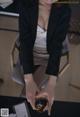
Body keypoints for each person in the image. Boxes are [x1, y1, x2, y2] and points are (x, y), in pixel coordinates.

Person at [18, 0, 71, 116]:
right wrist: (29, 80)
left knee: (29, 93)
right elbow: (25, 43)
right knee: (29, 88)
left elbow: (57, 47)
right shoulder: (26, 5)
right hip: (29, 54)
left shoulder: (64, 10)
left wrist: (52, 83)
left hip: (48, 57)